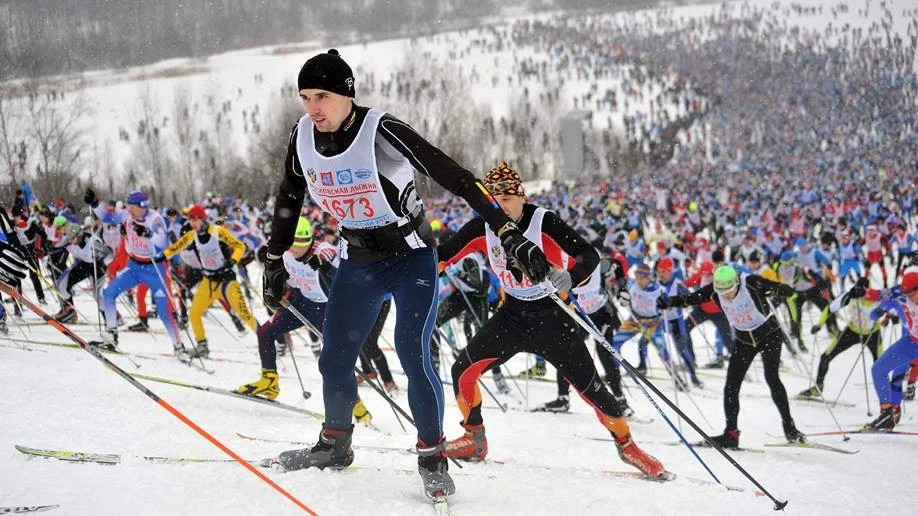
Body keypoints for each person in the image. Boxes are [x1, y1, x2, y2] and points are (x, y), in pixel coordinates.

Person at [262, 50, 550, 503]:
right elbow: (288, 195)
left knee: (413, 356)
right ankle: (335, 443)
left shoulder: (381, 130)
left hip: (410, 258)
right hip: (357, 260)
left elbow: (456, 177)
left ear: (346, 95)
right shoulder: (302, 136)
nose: (312, 107)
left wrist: (508, 230)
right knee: (334, 358)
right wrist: (274, 258)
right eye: (304, 97)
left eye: (322, 96)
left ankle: (432, 457)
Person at [437, 161, 666, 479]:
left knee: (593, 390)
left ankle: (628, 448)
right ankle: (475, 438)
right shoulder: (482, 227)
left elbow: (588, 255)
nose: (498, 208)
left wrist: (570, 277)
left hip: (553, 318)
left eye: (505, 200)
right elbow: (444, 255)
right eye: (492, 201)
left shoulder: (542, 221)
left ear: (521, 197)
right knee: (462, 370)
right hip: (512, 315)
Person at [658, 265, 806, 447]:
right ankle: (731, 434)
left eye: (729, 290)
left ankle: (790, 428)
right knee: (730, 387)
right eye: (722, 292)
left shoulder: (750, 282)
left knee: (772, 378)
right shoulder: (715, 290)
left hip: (769, 335)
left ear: (736, 282)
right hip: (744, 341)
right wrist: (670, 302)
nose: (726, 295)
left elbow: (773, 286)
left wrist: (783, 289)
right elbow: (691, 298)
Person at [86, 189, 187, 359]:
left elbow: (163, 242)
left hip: (155, 269)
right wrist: (95, 205)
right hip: (133, 266)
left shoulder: (155, 219)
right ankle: (111, 336)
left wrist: (149, 234)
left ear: (141, 206)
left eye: (131, 206)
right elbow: (107, 218)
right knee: (108, 294)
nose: (128, 209)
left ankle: (179, 346)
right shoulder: (126, 215)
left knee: (164, 311)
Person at [158, 204, 256, 358]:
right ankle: (202, 345)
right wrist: (162, 256)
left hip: (226, 280)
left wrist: (233, 260)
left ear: (203, 219)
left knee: (244, 314)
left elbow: (240, 246)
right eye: (190, 220)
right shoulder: (192, 235)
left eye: (195, 219)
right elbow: (176, 247)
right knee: (195, 313)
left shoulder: (218, 232)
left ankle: (267, 338)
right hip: (208, 282)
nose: (192, 223)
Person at [798, 278, 883, 398]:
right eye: (857, 289)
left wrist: (890, 316)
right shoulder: (849, 296)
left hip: (872, 334)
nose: (858, 293)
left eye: (861, 291)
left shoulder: (876, 298)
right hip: (852, 331)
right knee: (825, 357)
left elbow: (892, 307)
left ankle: (887, 395)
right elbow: (829, 309)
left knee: (881, 365)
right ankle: (818, 387)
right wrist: (819, 324)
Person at [861, 267, 918, 430]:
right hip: (911, 342)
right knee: (878, 369)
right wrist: (861, 291)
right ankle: (886, 415)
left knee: (901, 376)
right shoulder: (902, 292)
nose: (908, 298)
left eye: (911, 294)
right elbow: (879, 295)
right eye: (905, 294)